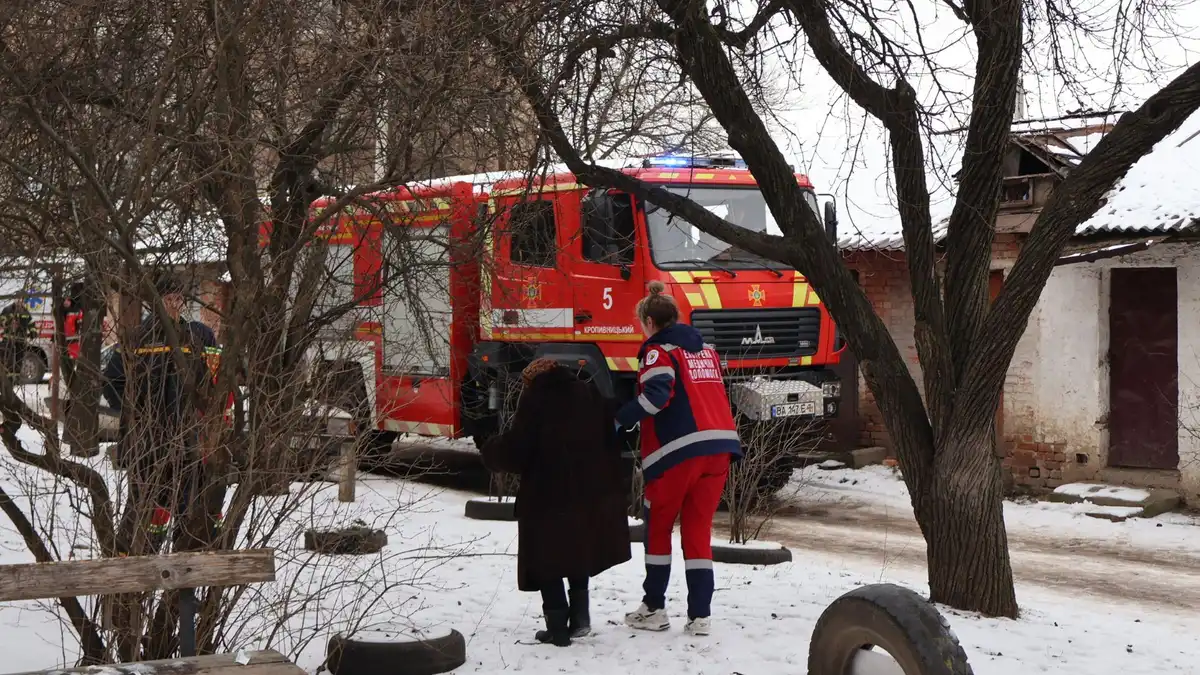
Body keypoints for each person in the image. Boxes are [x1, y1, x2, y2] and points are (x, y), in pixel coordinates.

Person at [616, 280, 743, 637]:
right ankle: (700, 616)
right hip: (719, 449)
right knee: (697, 532)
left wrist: (618, 418)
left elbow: (657, 398)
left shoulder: (658, 353)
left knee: (657, 529)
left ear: (650, 323)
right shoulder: (706, 352)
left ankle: (654, 608)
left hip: (678, 452)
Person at [480, 358, 631, 647]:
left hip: (547, 494)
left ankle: (557, 628)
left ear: (533, 380)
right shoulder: (589, 393)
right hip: (589, 494)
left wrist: (491, 451)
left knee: (545, 557)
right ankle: (580, 619)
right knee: (577, 552)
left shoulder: (537, 398)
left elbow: (518, 448)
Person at [103, 275, 222, 552]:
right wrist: (137, 414)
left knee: (188, 507)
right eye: (168, 298)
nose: (175, 303)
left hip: (189, 441)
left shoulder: (198, 336)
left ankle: (184, 580)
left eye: (179, 298)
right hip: (147, 443)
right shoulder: (137, 338)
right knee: (145, 508)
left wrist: (207, 421)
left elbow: (216, 383)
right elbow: (111, 381)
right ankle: (138, 568)